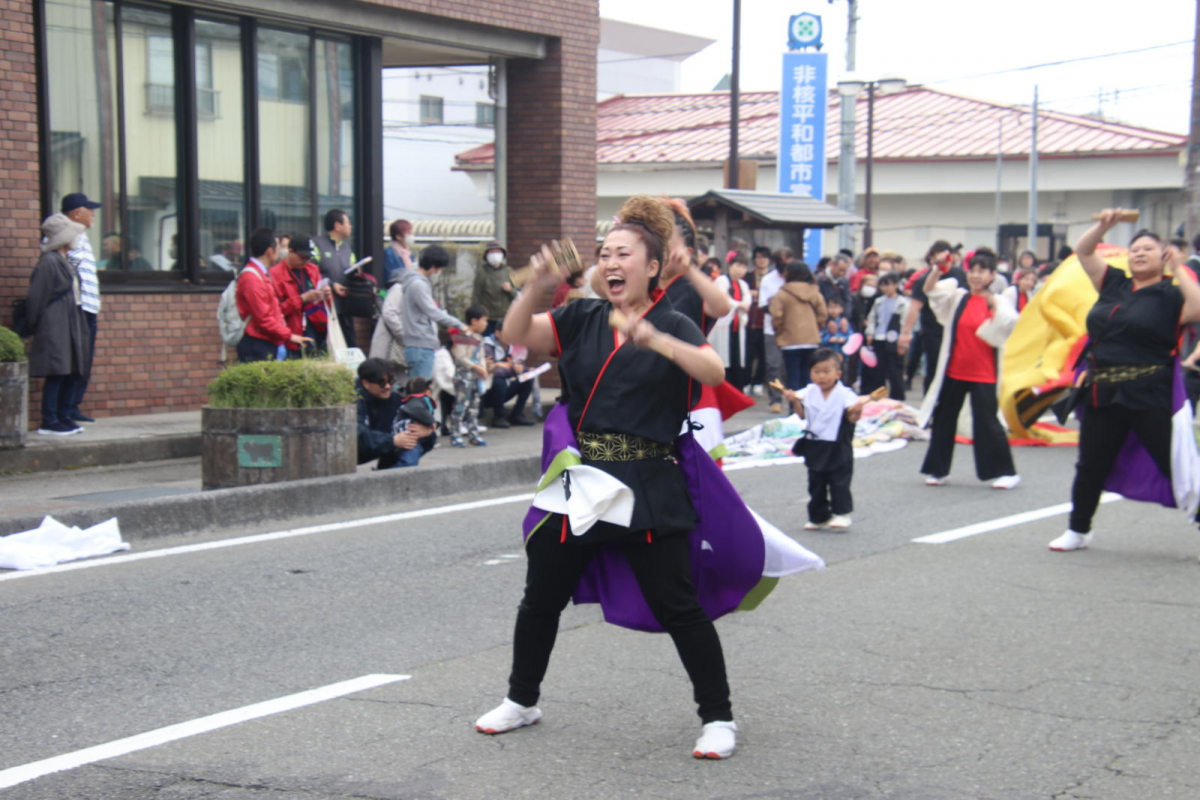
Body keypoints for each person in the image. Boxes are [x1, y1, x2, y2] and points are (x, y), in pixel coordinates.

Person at [477, 195, 740, 760]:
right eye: (605, 254)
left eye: (624, 254)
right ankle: (521, 700)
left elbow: (714, 370)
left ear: (653, 266)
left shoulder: (673, 321)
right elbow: (516, 334)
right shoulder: (582, 317)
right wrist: (537, 284)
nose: (611, 263)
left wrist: (655, 341)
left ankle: (718, 717)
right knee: (540, 598)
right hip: (584, 479)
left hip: (649, 479)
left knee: (679, 605)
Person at [1050, 211, 1200, 551]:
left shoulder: (1171, 294)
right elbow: (1084, 251)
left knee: (1175, 464)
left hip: (1150, 394)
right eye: (1135, 249)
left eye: (1148, 248)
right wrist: (1103, 227)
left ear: (1162, 255)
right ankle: (1078, 530)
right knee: (1091, 464)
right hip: (1102, 392)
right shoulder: (1113, 283)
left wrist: (1179, 268)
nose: (1140, 253)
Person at [918, 247, 1021, 490]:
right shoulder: (958, 297)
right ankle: (938, 470)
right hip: (954, 370)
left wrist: (994, 306)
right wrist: (938, 268)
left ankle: (1005, 472)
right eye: (972, 270)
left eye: (982, 271)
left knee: (987, 422)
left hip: (984, 372)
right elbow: (930, 290)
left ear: (992, 275)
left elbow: (1009, 323)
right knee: (944, 420)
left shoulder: (999, 300)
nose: (976, 276)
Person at [783, 349, 870, 530]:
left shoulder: (845, 394)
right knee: (816, 482)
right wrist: (794, 401)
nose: (821, 376)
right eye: (816, 371)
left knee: (839, 480)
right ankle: (819, 516)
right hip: (815, 442)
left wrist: (857, 409)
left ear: (838, 373)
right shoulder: (808, 391)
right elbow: (801, 415)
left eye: (826, 371)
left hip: (838, 443)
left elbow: (852, 418)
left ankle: (842, 514)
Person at [28, 214, 90, 435]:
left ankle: (62, 416)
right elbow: (36, 297)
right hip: (54, 323)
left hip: (68, 321)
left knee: (69, 369)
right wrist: (33, 324)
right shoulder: (49, 262)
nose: (76, 238)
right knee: (57, 370)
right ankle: (50, 420)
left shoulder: (62, 260)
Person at [898, 240, 968, 391]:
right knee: (934, 367)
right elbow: (914, 307)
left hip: (957, 329)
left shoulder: (961, 275)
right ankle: (930, 399)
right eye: (936, 257)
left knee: (955, 368)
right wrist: (906, 333)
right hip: (932, 330)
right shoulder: (924, 279)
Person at [235, 227, 312, 363]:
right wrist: (289, 335)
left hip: (265, 341)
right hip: (257, 345)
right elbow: (264, 319)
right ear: (270, 251)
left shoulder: (260, 274)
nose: (281, 251)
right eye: (279, 247)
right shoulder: (252, 278)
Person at [61, 193, 102, 423]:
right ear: (77, 213)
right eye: (90, 210)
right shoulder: (66, 235)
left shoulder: (82, 236)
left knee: (85, 359)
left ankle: (73, 405)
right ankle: (64, 409)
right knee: (75, 360)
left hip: (89, 307)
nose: (93, 214)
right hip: (77, 308)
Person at [399, 244, 466, 380]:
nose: (438, 272)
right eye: (439, 268)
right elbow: (433, 313)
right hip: (420, 344)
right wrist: (460, 324)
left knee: (415, 386)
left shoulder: (414, 281)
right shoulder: (418, 284)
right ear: (433, 266)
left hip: (416, 344)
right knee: (420, 388)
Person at [356, 358, 435, 469]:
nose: (388, 386)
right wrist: (392, 440)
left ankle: (392, 472)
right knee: (397, 441)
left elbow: (424, 428)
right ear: (366, 383)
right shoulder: (353, 401)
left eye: (391, 381)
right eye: (382, 382)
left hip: (385, 448)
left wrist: (427, 431)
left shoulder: (396, 399)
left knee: (412, 441)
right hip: (350, 452)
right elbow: (357, 438)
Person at [769, 261, 826, 393]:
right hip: (811, 340)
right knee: (808, 375)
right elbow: (822, 314)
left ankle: (794, 404)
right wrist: (815, 327)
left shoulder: (782, 294)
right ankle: (808, 404)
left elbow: (777, 316)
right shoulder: (814, 292)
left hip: (789, 341)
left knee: (792, 376)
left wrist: (780, 331)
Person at [269, 234, 329, 358]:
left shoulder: (312, 269)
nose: (305, 261)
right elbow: (276, 310)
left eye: (309, 258)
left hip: (316, 329)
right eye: (303, 257)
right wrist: (302, 299)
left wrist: (326, 295)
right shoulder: (275, 274)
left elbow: (323, 303)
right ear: (291, 251)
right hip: (291, 334)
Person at [311, 209, 357, 347]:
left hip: (345, 308)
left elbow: (352, 267)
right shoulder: (317, 244)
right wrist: (332, 284)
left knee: (349, 346)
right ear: (337, 225)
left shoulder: (347, 247)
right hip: (323, 308)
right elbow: (311, 272)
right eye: (348, 223)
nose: (350, 226)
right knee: (325, 348)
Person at [863, 272, 910, 400]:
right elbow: (872, 318)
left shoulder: (903, 302)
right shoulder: (878, 301)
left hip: (895, 339)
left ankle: (897, 398)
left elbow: (906, 322)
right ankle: (879, 398)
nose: (885, 288)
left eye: (887, 284)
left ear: (895, 285)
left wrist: (903, 340)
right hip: (879, 337)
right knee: (879, 371)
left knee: (895, 370)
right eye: (882, 285)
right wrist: (870, 333)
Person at [449, 304, 491, 447]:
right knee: (461, 405)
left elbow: (481, 356)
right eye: (484, 320)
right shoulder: (463, 336)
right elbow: (460, 358)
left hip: (476, 377)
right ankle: (455, 434)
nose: (486, 324)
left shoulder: (479, 338)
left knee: (474, 406)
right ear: (474, 321)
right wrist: (477, 367)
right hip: (464, 377)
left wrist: (483, 368)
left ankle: (473, 434)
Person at [711, 256, 751, 389]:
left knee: (737, 359)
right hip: (723, 325)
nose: (740, 270)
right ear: (730, 265)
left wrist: (741, 305)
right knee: (723, 358)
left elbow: (747, 301)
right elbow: (723, 299)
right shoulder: (722, 280)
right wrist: (739, 305)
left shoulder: (743, 284)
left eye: (743, 267)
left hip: (737, 325)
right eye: (738, 265)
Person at [481, 329, 534, 428]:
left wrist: (523, 369)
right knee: (499, 381)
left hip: (504, 388)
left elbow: (518, 363)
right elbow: (493, 371)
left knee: (527, 378)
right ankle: (498, 417)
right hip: (487, 392)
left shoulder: (511, 347)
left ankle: (517, 414)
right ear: (497, 332)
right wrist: (512, 369)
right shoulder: (487, 346)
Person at [758, 249, 789, 411]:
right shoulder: (768, 279)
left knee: (790, 365)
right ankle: (775, 399)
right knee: (773, 365)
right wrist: (779, 311)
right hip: (772, 328)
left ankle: (794, 399)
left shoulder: (797, 278)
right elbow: (763, 305)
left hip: (794, 329)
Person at [743, 245, 773, 395]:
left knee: (764, 354)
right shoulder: (747, 277)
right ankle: (746, 381)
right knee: (747, 354)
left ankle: (759, 382)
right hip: (748, 320)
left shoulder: (773, 278)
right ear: (754, 259)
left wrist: (757, 294)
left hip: (766, 321)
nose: (762, 260)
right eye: (759, 257)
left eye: (764, 257)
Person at [472, 240, 515, 336]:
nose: (495, 254)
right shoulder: (482, 272)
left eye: (498, 251)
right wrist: (475, 318)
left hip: (506, 318)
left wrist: (510, 290)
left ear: (502, 254)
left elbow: (518, 295)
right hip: (488, 319)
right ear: (487, 255)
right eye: (492, 252)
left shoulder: (509, 271)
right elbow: (476, 296)